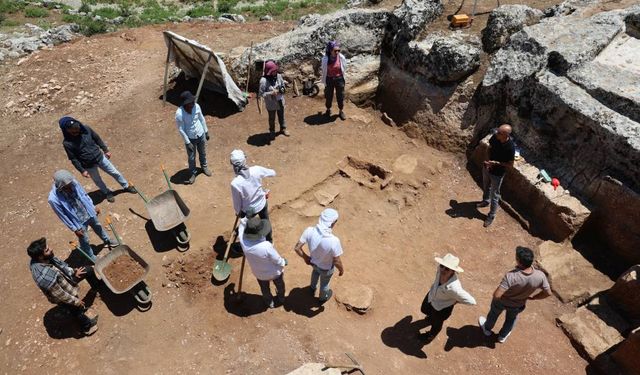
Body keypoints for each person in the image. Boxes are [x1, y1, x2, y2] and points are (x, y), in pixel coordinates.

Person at [478, 246, 551, 343]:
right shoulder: (540, 276)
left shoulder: (511, 276)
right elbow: (548, 293)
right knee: (511, 320)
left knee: (493, 314)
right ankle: (502, 336)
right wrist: (534, 297)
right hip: (518, 305)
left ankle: (487, 329)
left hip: (502, 302)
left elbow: (496, 295)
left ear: (518, 261)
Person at [28, 237, 98, 335]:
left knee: (88, 270)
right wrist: (76, 301)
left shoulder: (45, 258)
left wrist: (74, 271)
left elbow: (61, 266)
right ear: (40, 257)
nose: (51, 249)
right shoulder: (45, 278)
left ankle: (96, 288)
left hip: (66, 279)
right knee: (76, 310)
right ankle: (87, 327)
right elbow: (61, 295)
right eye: (47, 250)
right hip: (62, 294)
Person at [59, 116, 136, 203]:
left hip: (100, 157)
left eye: (77, 127)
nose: (76, 130)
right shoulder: (67, 143)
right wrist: (82, 170)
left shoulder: (86, 129)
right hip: (88, 165)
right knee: (97, 180)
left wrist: (105, 150)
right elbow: (73, 158)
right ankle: (107, 192)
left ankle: (126, 186)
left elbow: (97, 138)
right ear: (66, 130)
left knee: (115, 172)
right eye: (73, 130)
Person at [48, 169, 115, 261]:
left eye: (70, 184)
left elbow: (84, 195)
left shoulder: (73, 182)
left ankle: (107, 240)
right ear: (61, 185)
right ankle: (90, 255)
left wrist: (92, 206)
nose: (70, 186)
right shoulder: (53, 199)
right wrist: (74, 228)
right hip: (78, 221)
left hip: (87, 211)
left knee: (98, 226)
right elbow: (62, 215)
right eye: (67, 186)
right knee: (84, 239)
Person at [418, 253, 476, 342]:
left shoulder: (455, 288)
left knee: (436, 324)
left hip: (442, 308)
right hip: (432, 295)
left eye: (447, 269)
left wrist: (456, 301)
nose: (443, 269)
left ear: (453, 271)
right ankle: (430, 318)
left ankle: (431, 335)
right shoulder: (440, 270)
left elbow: (472, 301)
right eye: (442, 266)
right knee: (424, 309)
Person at [293, 208, 344, 302]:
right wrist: (341, 270)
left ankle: (312, 289)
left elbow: (297, 248)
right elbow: (336, 260)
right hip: (326, 268)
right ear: (332, 222)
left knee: (315, 273)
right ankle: (322, 298)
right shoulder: (334, 240)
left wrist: (305, 258)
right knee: (324, 284)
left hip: (314, 263)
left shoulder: (309, 230)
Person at [238, 215, 287, 308]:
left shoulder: (243, 242)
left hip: (259, 274)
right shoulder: (266, 246)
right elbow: (277, 259)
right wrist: (283, 262)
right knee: (280, 285)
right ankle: (281, 298)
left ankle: (269, 302)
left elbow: (241, 228)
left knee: (264, 289)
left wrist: (245, 219)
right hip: (274, 273)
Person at [229, 149, 276, 242]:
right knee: (266, 220)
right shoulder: (256, 170)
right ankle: (269, 240)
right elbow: (272, 173)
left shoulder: (235, 183)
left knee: (248, 225)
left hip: (249, 209)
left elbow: (237, 202)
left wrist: (238, 212)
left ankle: (247, 243)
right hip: (262, 202)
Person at [477, 124, 515, 227]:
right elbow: (489, 148)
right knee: (485, 186)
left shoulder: (510, 147)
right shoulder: (495, 137)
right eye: (497, 131)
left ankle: (491, 215)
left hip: (497, 174)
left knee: (495, 195)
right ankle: (485, 201)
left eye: (499, 133)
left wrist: (496, 163)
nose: (496, 133)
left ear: (506, 135)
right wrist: (489, 162)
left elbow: (510, 165)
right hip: (487, 168)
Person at [175, 91, 211, 184]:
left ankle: (204, 166)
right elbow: (181, 129)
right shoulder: (179, 114)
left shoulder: (197, 106)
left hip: (200, 134)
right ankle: (192, 173)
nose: (192, 104)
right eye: (190, 103)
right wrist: (187, 142)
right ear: (184, 104)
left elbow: (201, 119)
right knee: (191, 157)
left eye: (193, 101)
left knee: (202, 152)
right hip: (190, 138)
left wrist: (206, 131)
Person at [259, 60, 290, 140]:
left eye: (276, 70)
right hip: (271, 103)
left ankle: (283, 128)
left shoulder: (279, 76)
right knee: (272, 118)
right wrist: (271, 93)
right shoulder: (263, 81)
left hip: (280, 100)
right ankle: (272, 131)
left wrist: (281, 89)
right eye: (274, 71)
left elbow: (283, 86)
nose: (276, 72)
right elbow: (261, 94)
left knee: (281, 116)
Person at [320, 41, 347, 121]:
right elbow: (324, 70)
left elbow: (344, 68)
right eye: (335, 51)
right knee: (328, 96)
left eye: (339, 50)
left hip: (339, 79)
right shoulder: (325, 59)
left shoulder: (341, 57)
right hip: (329, 79)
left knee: (340, 96)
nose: (337, 52)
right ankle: (328, 109)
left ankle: (341, 111)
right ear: (330, 50)